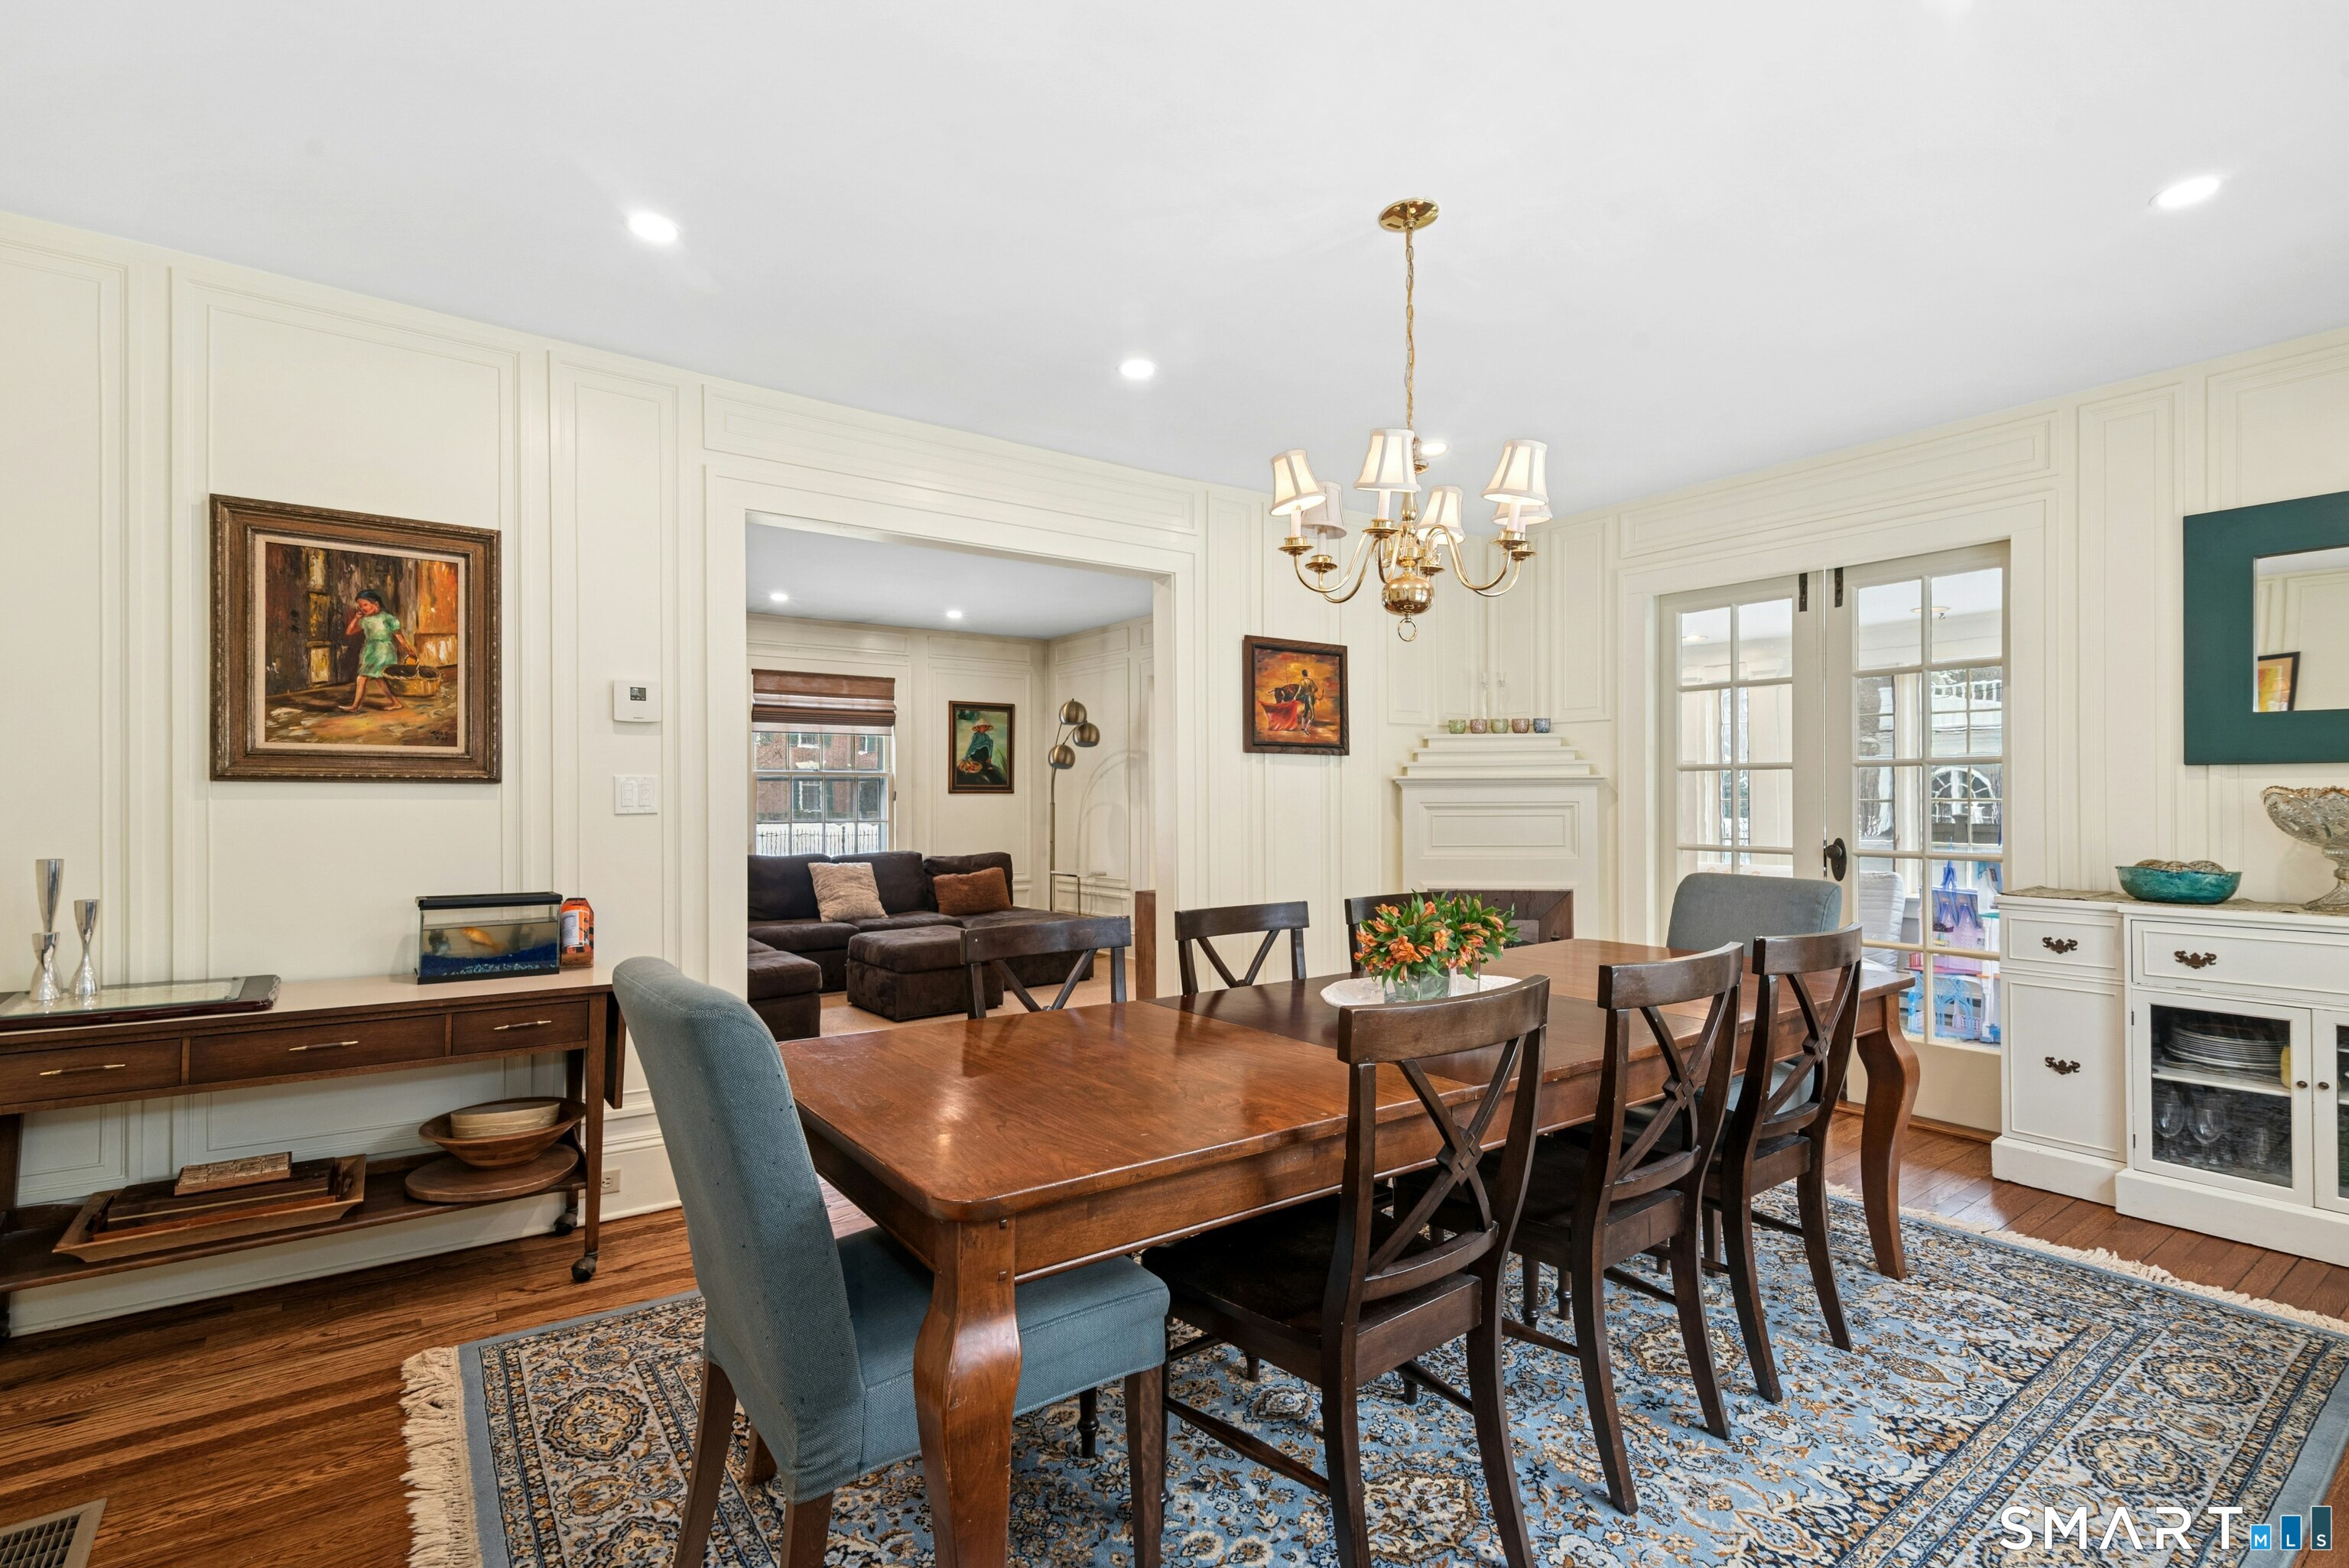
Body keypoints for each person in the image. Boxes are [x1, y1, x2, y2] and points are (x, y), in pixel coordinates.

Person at [341, 588, 418, 712]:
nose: (363, 609)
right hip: (370, 651)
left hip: (383, 651)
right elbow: (349, 632)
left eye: (365, 605)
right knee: (379, 679)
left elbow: (399, 636)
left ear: (376, 604)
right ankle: (395, 702)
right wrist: (356, 618)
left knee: (363, 678)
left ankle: (355, 706)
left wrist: (409, 650)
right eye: (360, 607)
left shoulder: (387, 618)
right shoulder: (365, 620)